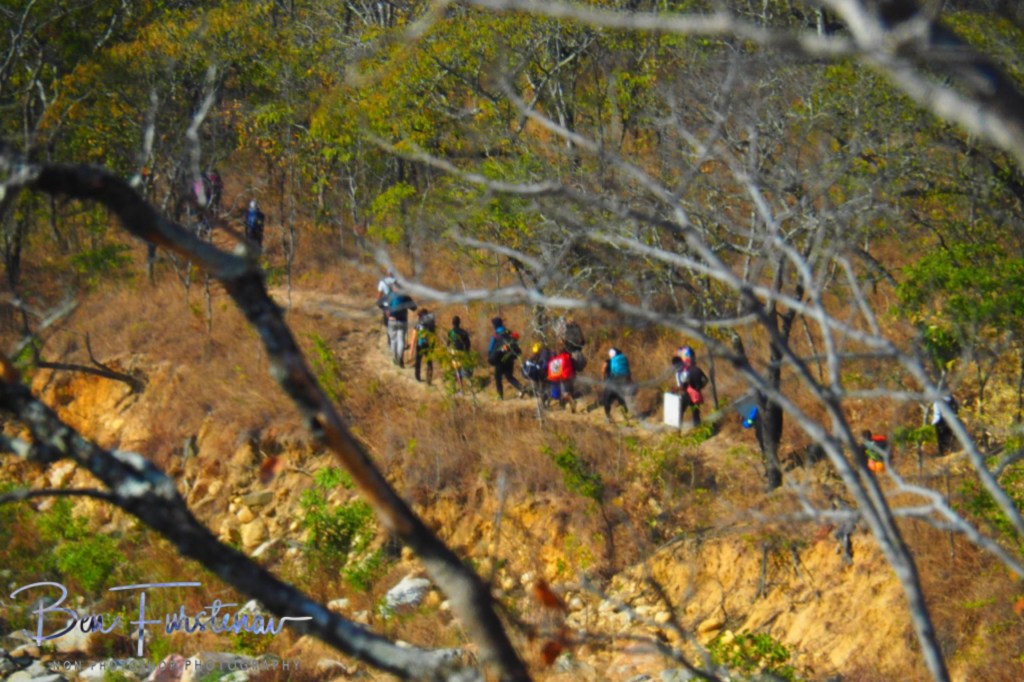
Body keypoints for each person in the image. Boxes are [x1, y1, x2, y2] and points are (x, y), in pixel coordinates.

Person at [487, 317, 525, 400]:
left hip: (500, 360)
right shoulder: (508, 332)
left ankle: (500, 396)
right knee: (509, 376)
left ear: (495, 325)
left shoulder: (495, 335)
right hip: (510, 357)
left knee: (497, 376)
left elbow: (490, 348)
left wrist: (491, 356)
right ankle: (520, 387)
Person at [672, 347, 707, 428]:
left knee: (680, 412)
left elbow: (681, 384)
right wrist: (699, 387)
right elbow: (705, 380)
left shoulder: (679, 372)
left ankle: (678, 430)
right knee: (695, 412)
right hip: (695, 393)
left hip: (685, 394)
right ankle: (697, 429)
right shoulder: (695, 369)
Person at [384, 290, 417, 367]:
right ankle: (399, 358)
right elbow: (414, 308)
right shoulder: (405, 296)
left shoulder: (390, 294)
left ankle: (395, 358)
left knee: (393, 340)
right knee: (401, 340)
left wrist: (388, 315)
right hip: (402, 321)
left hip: (392, 320)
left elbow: (384, 306)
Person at [601, 347, 634, 423]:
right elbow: (628, 373)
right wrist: (630, 382)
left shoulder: (609, 361)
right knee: (621, 400)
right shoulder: (623, 361)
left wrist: (603, 378)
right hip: (622, 384)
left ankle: (608, 417)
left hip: (611, 383)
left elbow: (603, 369)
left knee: (606, 400)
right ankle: (625, 416)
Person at [546, 346, 577, 412]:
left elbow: (556, 368)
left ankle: (572, 403)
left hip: (564, 378)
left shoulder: (560, 359)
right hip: (569, 376)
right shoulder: (566, 356)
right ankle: (571, 405)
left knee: (565, 393)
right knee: (565, 393)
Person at [411, 308, 437, 385]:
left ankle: (417, 376)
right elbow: (434, 333)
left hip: (421, 343)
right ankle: (429, 379)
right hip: (430, 344)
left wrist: (412, 347)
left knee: (418, 360)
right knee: (429, 361)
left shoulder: (419, 322)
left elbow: (414, 335)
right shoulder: (432, 322)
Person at [447, 316, 472, 393]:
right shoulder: (464, 332)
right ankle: (470, 385)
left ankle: (461, 390)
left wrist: (448, 350)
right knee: (464, 368)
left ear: (452, 323)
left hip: (454, 352)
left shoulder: (451, 332)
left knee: (457, 370)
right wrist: (467, 351)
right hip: (463, 352)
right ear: (459, 322)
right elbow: (468, 343)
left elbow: (448, 343)